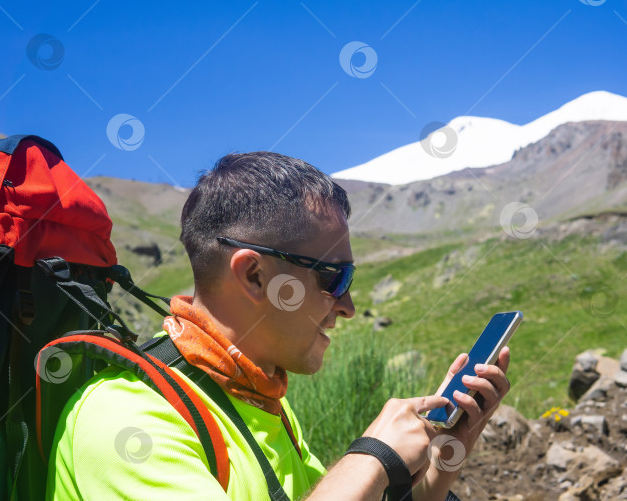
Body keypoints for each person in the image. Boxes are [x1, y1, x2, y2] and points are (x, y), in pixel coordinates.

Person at [46, 151, 511, 500]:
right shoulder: (128, 420)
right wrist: (373, 456)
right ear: (254, 276)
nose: (347, 305)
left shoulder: (258, 397)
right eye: (334, 277)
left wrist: (438, 461)